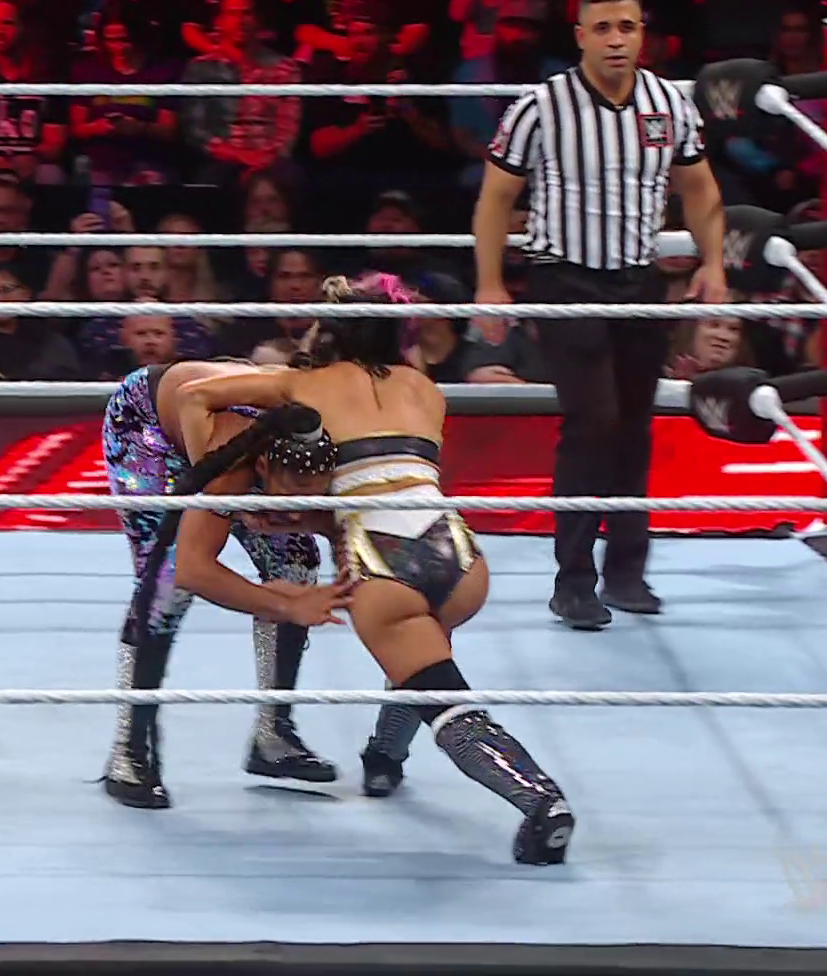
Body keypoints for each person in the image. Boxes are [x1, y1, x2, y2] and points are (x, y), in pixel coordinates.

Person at [178, 272, 576, 866]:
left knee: (441, 696)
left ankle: (541, 801)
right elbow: (392, 471)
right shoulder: (425, 388)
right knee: (421, 658)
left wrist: (212, 482)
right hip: (459, 555)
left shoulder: (299, 383)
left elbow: (193, 396)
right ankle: (385, 758)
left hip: (384, 564)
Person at [471, 0, 729, 632]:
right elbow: (496, 198)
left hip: (637, 282)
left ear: (643, 34)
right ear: (581, 35)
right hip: (564, 280)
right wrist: (490, 283)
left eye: (628, 27)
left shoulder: (668, 102)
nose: (617, 40)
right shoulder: (540, 106)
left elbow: (700, 190)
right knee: (594, 422)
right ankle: (573, 581)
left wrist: (713, 265)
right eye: (604, 28)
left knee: (635, 424)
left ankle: (627, 572)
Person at [100, 359, 349, 810]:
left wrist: (331, 540)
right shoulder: (230, 464)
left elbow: (329, 523)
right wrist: (284, 605)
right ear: (263, 466)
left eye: (308, 498)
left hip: (225, 426)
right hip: (148, 429)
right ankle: (128, 752)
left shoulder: (326, 441)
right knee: (165, 582)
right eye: (289, 498)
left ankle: (274, 734)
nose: (295, 512)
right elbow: (194, 570)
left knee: (297, 563)